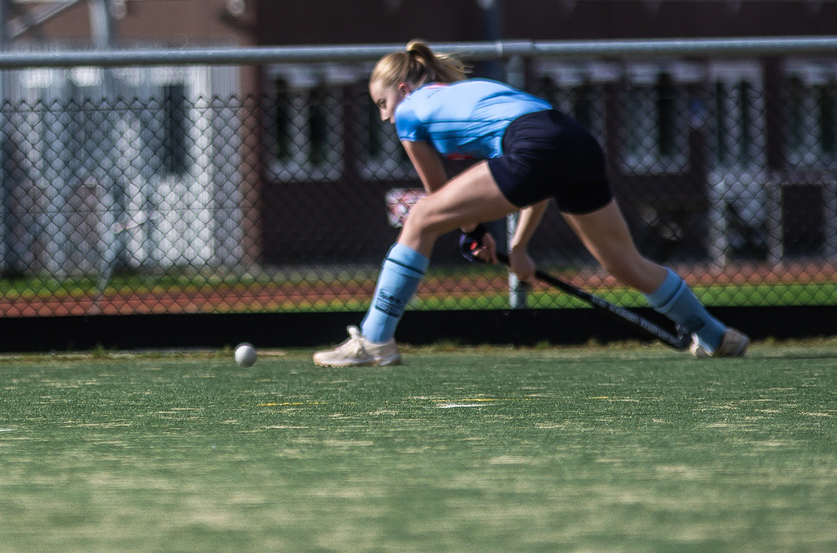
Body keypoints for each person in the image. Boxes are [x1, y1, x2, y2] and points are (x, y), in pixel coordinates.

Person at [314, 39, 748, 370]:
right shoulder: (470, 96)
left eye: (383, 104)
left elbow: (438, 194)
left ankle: (375, 340)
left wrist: (474, 232)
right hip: (575, 142)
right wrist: (516, 247)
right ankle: (714, 335)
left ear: (404, 90)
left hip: (535, 146)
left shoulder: (412, 112)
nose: (386, 117)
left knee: (420, 218)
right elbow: (537, 176)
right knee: (625, 264)